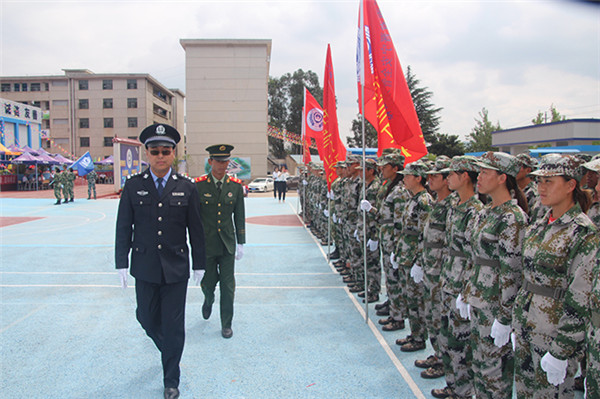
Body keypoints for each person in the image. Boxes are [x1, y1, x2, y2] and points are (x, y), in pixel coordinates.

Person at [115, 123, 206, 399]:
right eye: (155, 151)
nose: (160, 156)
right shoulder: (133, 186)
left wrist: (199, 263)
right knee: (145, 317)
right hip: (144, 266)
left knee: (173, 325)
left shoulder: (186, 188)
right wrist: (121, 262)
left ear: (173, 153)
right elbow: (123, 227)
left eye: (166, 151)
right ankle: (170, 351)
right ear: (147, 154)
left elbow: (197, 229)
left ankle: (171, 380)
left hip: (176, 268)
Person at [512, 154, 598, 398]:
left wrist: (563, 350)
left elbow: (580, 295)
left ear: (571, 185)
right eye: (539, 181)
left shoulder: (583, 232)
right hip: (527, 326)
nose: (541, 187)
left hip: (553, 334)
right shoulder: (540, 224)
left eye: (549, 181)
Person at [461, 152, 528, 399]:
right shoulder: (486, 212)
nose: (479, 177)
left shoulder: (513, 218)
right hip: (478, 300)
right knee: (479, 369)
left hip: (495, 307)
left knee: (495, 376)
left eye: (486, 172)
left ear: (502, 178)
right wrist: (466, 293)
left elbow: (512, 271)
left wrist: (505, 316)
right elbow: (475, 257)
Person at [434, 156, 483, 399]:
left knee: (462, 342)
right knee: (447, 338)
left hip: (462, 284)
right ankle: (453, 385)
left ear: (466, 177)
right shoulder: (455, 205)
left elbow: (474, 255)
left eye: (453, 174)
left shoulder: (475, 211)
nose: (448, 178)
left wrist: (466, 290)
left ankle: (463, 391)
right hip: (448, 279)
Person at [195, 144, 246, 339]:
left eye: (225, 161)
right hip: (207, 244)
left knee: (228, 285)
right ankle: (208, 299)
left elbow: (239, 215)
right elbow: (194, 217)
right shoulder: (199, 185)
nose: (222, 165)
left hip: (227, 244)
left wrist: (241, 241)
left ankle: (226, 323)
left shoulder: (235, 186)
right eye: (218, 161)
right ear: (210, 162)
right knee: (208, 283)